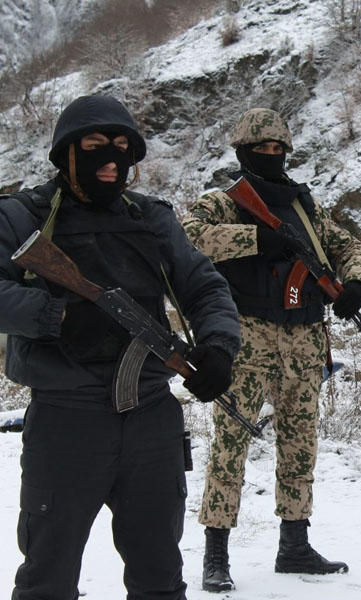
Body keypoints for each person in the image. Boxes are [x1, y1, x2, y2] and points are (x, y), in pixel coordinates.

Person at [0, 94, 242, 600]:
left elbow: (204, 286)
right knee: (47, 577)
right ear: (66, 153)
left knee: (159, 576)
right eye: (94, 146)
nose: (110, 159)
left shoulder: (151, 220)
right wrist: (59, 316)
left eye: (123, 148)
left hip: (152, 418)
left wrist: (218, 346)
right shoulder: (22, 219)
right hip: (66, 423)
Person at [182, 108, 361, 591]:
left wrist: (357, 284)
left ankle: (294, 544)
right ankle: (216, 553)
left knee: (300, 444)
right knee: (230, 444)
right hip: (246, 337)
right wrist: (255, 239)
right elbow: (189, 238)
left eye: (277, 149)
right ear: (242, 152)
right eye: (260, 149)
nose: (270, 155)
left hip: (305, 338)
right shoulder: (224, 202)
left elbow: (347, 244)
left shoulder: (306, 208)